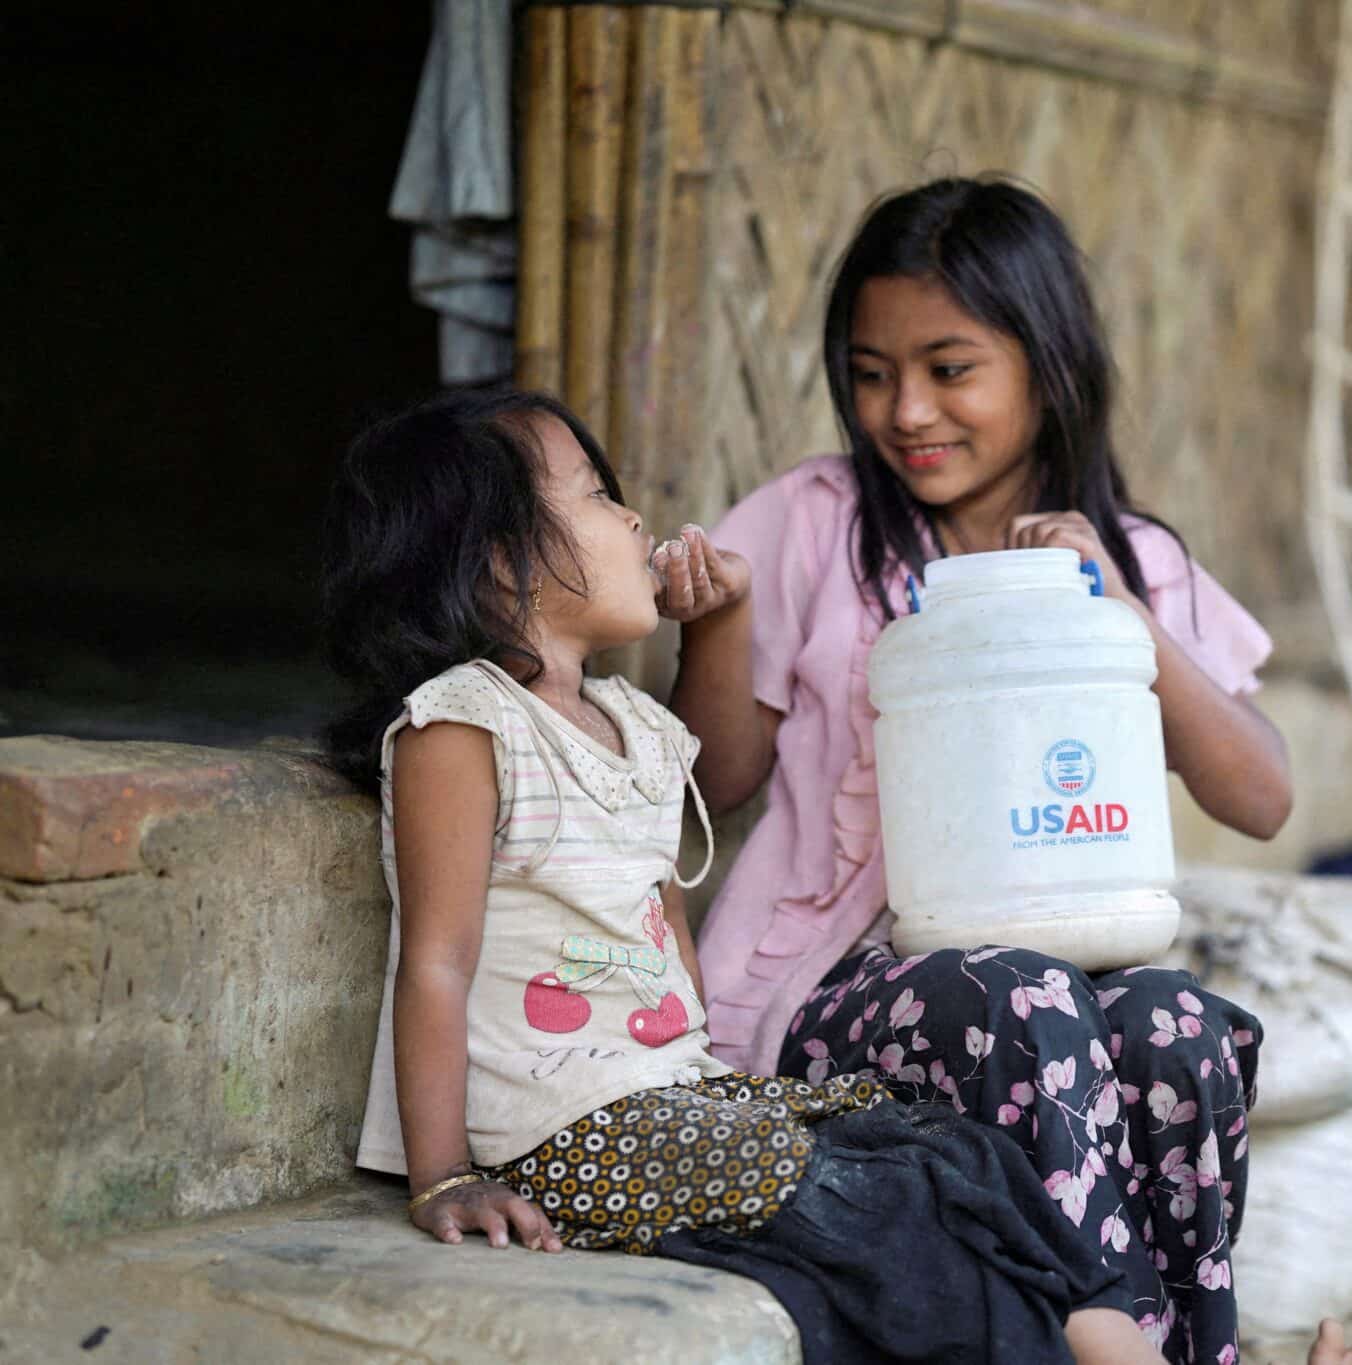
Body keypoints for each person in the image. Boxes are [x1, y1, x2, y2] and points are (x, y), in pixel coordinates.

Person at [320, 387, 1225, 1364]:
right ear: (494, 557)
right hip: (564, 1135)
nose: (632, 517)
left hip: (671, 1099)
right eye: (592, 496)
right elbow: (437, 962)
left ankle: (1113, 1347)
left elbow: (664, 908)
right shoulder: (463, 725)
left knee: (938, 1151)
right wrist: (444, 1173)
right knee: (868, 1203)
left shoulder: (631, 726)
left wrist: (721, 616)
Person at [664, 177, 1352, 1365]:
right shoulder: (814, 521)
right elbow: (718, 775)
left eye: (950, 368)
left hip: (1055, 996)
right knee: (1017, 991)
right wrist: (717, 627)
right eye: (872, 372)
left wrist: (1123, 614)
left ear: (1047, 365)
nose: (906, 409)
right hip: (834, 999)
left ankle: (1197, 1350)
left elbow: (1259, 794)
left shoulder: (1126, 556)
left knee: (1178, 1020)